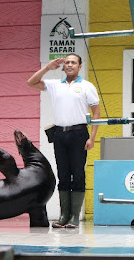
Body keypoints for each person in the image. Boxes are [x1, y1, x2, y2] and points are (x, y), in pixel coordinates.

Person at [27, 54, 100, 228]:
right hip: (60, 134)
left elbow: (96, 113)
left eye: (73, 62)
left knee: (78, 174)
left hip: (79, 133)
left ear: (80, 66)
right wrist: (47, 68)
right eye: (67, 62)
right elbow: (31, 82)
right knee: (63, 174)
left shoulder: (86, 86)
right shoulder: (54, 85)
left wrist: (92, 137)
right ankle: (63, 216)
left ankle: (75, 216)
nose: (69, 65)